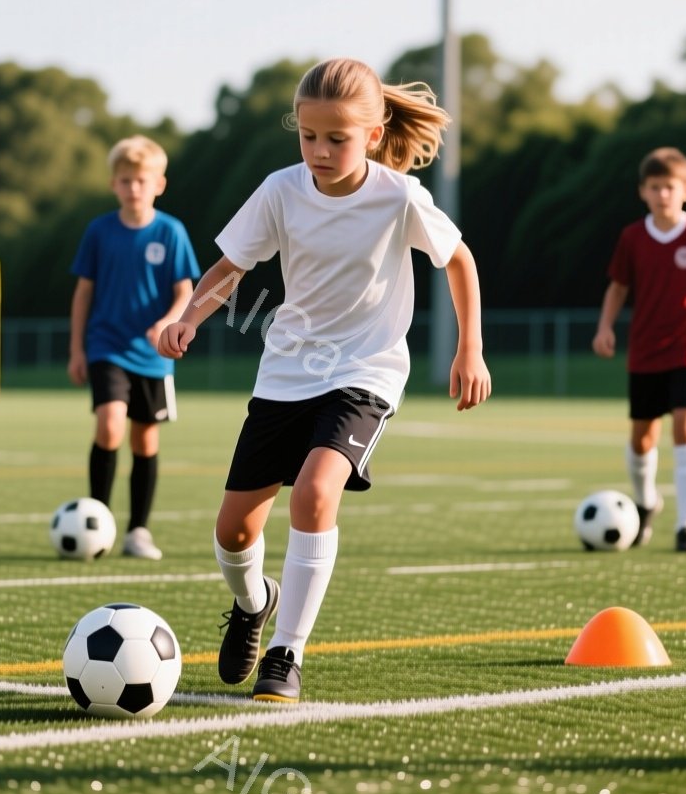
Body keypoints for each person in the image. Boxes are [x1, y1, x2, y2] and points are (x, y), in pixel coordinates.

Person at [159, 57, 491, 703]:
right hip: (286, 372)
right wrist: (188, 317)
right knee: (233, 532)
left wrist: (469, 349)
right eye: (308, 136)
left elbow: (460, 261)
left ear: (372, 134)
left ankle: (286, 652)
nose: (319, 151)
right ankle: (253, 603)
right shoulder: (281, 191)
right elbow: (230, 268)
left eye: (337, 138)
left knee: (314, 493)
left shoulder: (399, 197)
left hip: (365, 372)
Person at [592, 147, 686, 554]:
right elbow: (618, 286)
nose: (662, 194)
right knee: (642, 439)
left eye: (670, 187)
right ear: (643, 191)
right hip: (645, 351)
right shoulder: (633, 237)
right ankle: (646, 503)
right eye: (655, 187)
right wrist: (604, 327)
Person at [67, 135, 200, 559]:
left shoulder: (171, 232)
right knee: (110, 425)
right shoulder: (99, 231)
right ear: (114, 184)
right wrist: (77, 349)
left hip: (153, 355)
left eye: (142, 180)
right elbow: (83, 294)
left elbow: (186, 291)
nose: (133, 188)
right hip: (106, 345)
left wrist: (167, 322)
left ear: (159, 184)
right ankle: (98, 522)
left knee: (144, 441)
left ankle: (138, 531)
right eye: (125, 180)